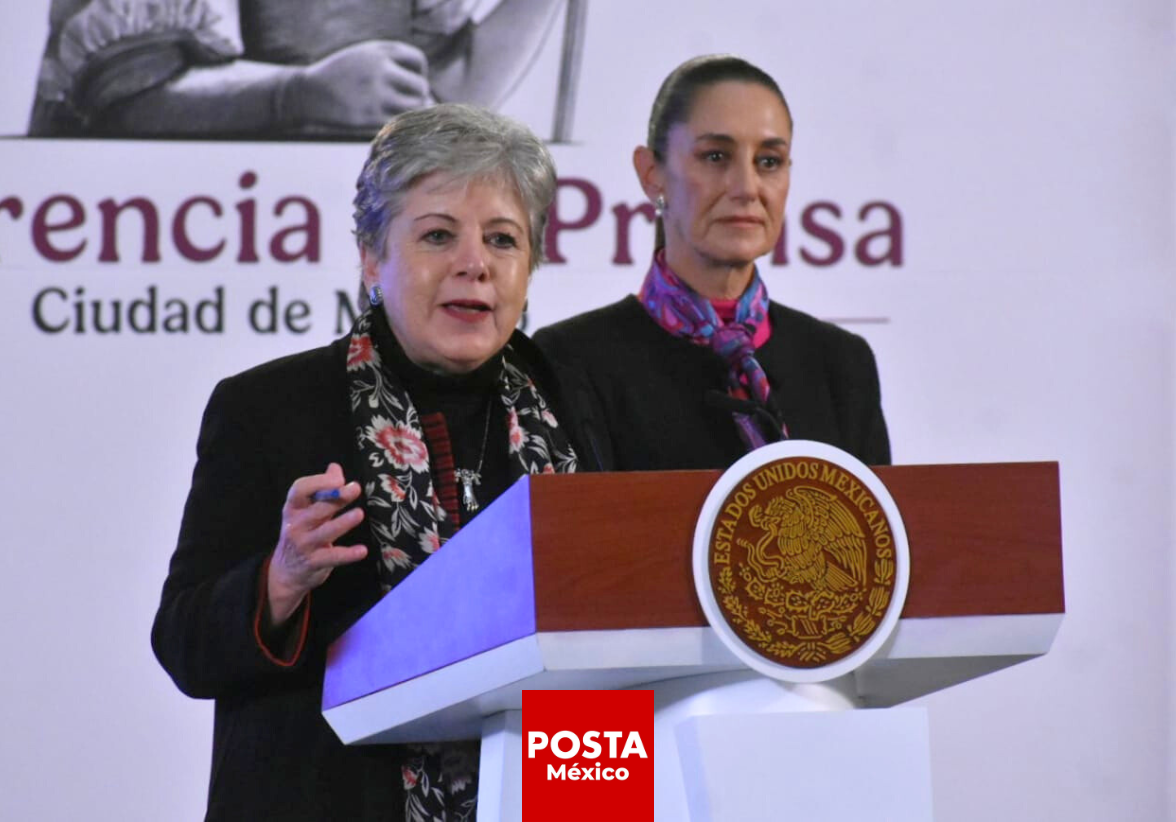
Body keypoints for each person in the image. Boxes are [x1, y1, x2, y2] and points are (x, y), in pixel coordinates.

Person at [152, 103, 604, 821]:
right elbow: (182, 643)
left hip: (552, 796)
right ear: (372, 256)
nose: (474, 264)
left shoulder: (578, 407)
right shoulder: (270, 408)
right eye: (437, 235)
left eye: (502, 239)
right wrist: (280, 580)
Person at [535, 54, 891, 469]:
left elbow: (878, 530)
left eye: (769, 161)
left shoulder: (841, 364)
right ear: (652, 174)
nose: (747, 187)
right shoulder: (571, 360)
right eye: (716, 157)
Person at [29, 0, 565, 138]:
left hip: (337, 244)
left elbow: (438, 98)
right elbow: (123, 99)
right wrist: (299, 93)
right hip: (167, 245)